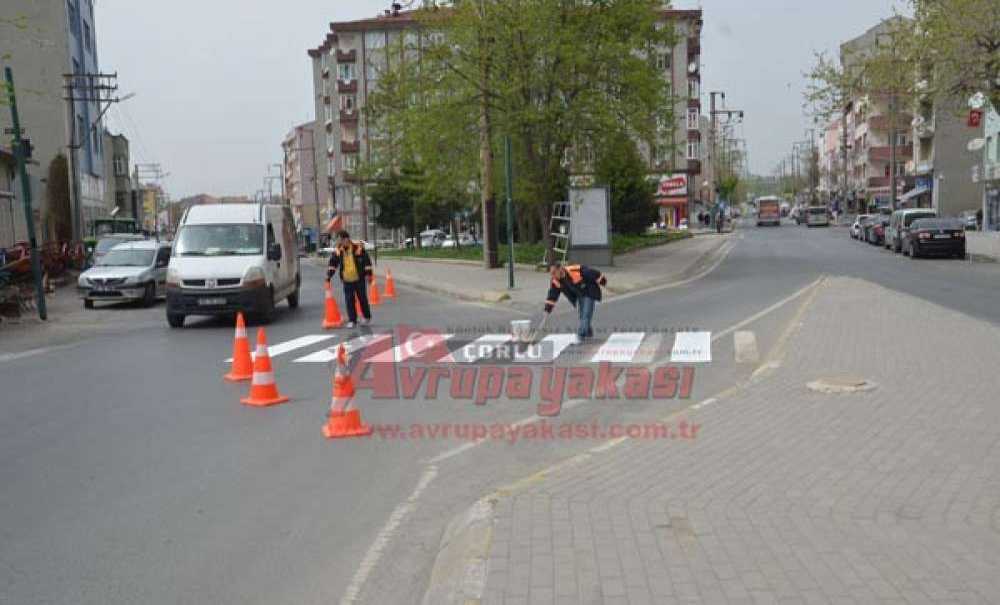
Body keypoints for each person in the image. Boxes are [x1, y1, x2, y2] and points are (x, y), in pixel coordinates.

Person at [543, 261, 608, 342]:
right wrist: (547, 309)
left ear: (560, 268)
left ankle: (581, 335)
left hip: (590, 291)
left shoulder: (574, 270)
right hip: (579, 295)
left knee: (586, 314)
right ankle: (588, 332)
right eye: (551, 274)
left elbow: (593, 273)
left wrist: (603, 281)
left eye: (554, 272)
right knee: (582, 315)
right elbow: (553, 295)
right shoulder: (555, 280)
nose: (553, 276)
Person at [327, 230, 374, 327]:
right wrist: (329, 276)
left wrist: (369, 275)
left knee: (362, 298)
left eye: (340, 240)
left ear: (346, 239)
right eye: (339, 240)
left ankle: (366, 317)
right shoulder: (338, 250)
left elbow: (367, 262)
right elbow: (333, 264)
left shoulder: (358, 248)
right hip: (347, 279)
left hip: (358, 278)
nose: (339, 242)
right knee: (349, 300)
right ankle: (352, 320)